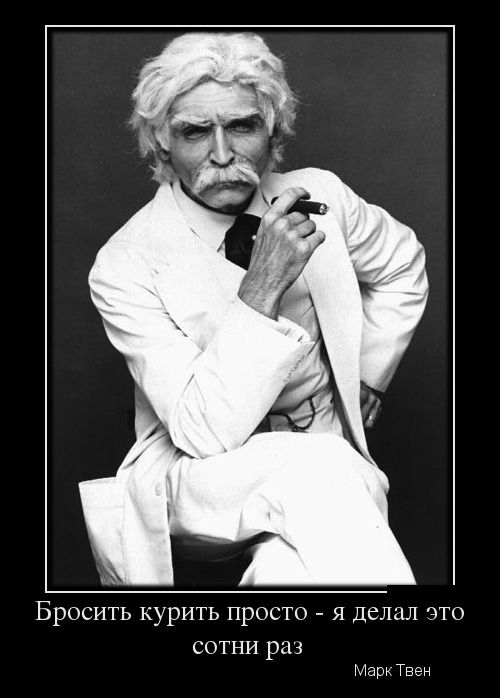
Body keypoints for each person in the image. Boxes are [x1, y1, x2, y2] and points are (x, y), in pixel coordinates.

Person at [79, 32, 429, 587]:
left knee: (294, 562)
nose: (222, 154)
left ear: (273, 130)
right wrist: (263, 284)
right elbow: (200, 433)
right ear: (162, 142)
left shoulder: (322, 195)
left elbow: (401, 264)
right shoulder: (125, 263)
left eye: (241, 126)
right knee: (327, 468)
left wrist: (369, 376)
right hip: (200, 477)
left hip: (321, 461)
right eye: (195, 132)